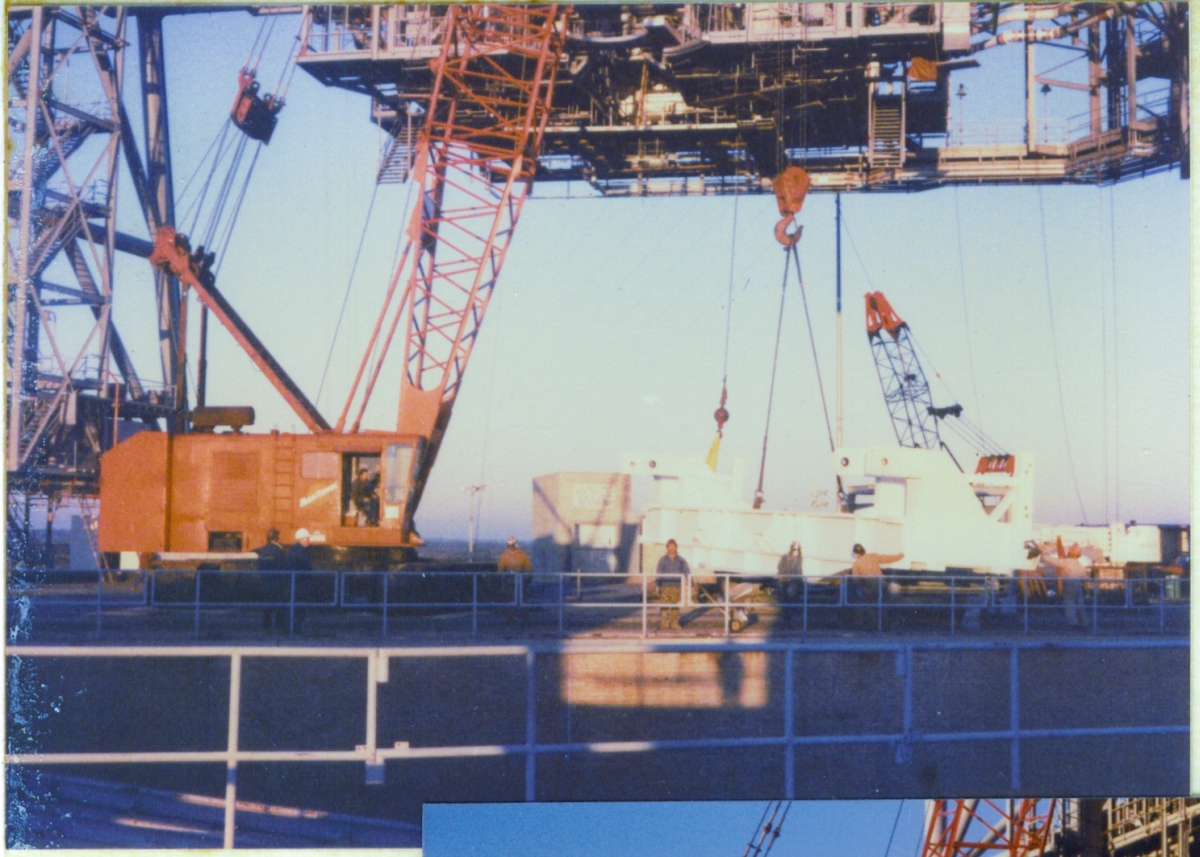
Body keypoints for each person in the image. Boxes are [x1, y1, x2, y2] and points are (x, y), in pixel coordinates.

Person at [848, 543, 905, 630]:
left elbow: (856, 580)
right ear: (864, 551)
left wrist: (860, 588)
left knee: (871, 607)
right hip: (882, 584)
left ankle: (874, 627)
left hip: (870, 586)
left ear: (856, 554)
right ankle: (885, 626)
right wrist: (899, 556)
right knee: (883, 605)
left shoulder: (856, 564)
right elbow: (887, 558)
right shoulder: (873, 556)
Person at [1038, 537, 1089, 630]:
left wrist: (1042, 556)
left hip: (1069, 584)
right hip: (1078, 585)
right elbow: (1085, 577)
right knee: (1080, 604)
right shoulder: (1078, 564)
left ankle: (1074, 624)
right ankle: (1084, 623)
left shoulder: (1066, 562)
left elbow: (1054, 561)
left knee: (1069, 604)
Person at [253, 528, 286, 634]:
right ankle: (279, 629)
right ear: (277, 538)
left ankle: (267, 629)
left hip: (265, 581)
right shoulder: (279, 550)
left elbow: (259, 567)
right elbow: (283, 567)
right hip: (278, 582)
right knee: (280, 607)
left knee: (267, 607)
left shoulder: (262, 550)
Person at [655, 539, 691, 631]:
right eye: (670, 546)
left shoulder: (681, 560)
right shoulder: (662, 560)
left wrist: (690, 581)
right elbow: (659, 572)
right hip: (665, 585)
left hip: (676, 585)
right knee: (665, 605)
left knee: (675, 605)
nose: (671, 548)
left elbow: (686, 571)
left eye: (673, 546)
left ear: (676, 547)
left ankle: (674, 623)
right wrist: (657, 585)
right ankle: (665, 623)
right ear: (667, 547)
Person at [286, 528, 315, 633]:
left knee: (297, 606)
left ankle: (294, 627)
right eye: (306, 538)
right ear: (301, 539)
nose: (308, 540)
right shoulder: (301, 551)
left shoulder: (295, 550)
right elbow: (305, 566)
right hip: (299, 583)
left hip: (297, 582)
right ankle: (295, 628)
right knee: (299, 606)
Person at [497, 537, 534, 605]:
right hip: (514, 580)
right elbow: (500, 569)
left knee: (514, 598)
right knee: (516, 598)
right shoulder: (507, 555)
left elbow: (500, 569)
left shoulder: (506, 555)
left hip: (516, 580)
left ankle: (516, 609)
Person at [775, 542, 804, 626]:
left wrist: (799, 582)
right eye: (794, 549)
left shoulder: (799, 559)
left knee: (792, 601)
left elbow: (799, 571)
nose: (795, 551)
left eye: (797, 549)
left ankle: (788, 619)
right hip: (785, 582)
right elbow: (780, 567)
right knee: (785, 601)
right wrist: (784, 575)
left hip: (794, 583)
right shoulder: (785, 557)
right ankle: (786, 619)